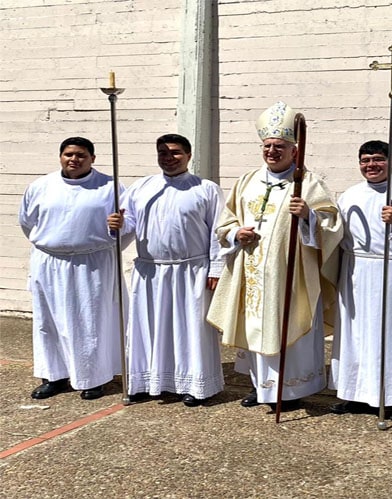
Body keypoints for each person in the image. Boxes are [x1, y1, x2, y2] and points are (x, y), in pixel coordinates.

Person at [207, 102, 342, 409]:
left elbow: (331, 224)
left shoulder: (307, 183)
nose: (272, 151)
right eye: (267, 146)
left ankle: (290, 391)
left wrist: (308, 215)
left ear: (294, 151)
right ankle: (261, 386)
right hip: (251, 273)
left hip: (290, 278)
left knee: (286, 329)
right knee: (254, 327)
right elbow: (225, 223)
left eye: (279, 146)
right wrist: (235, 234)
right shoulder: (247, 181)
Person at [107, 134, 225, 407]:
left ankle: (194, 385)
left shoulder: (205, 189)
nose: (168, 158)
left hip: (191, 270)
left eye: (175, 152)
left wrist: (216, 269)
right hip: (151, 271)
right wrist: (117, 225)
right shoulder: (141, 188)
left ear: (188, 155)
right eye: (163, 152)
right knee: (147, 327)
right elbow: (128, 230)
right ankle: (145, 382)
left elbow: (218, 232)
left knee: (191, 329)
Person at [328, 140, 392, 422]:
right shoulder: (349, 195)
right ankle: (357, 393)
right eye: (365, 160)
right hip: (357, 271)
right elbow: (334, 232)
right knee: (356, 335)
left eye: (377, 159)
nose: (371, 165)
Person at [19, 137, 123, 400]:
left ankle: (94, 378)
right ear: (60, 156)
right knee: (48, 321)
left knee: (90, 320)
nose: (73, 160)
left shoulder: (110, 187)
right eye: (68, 154)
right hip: (50, 261)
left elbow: (127, 226)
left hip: (92, 263)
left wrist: (115, 228)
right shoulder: (41, 186)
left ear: (92, 158)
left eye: (80, 155)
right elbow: (27, 223)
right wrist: (53, 243)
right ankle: (53, 376)